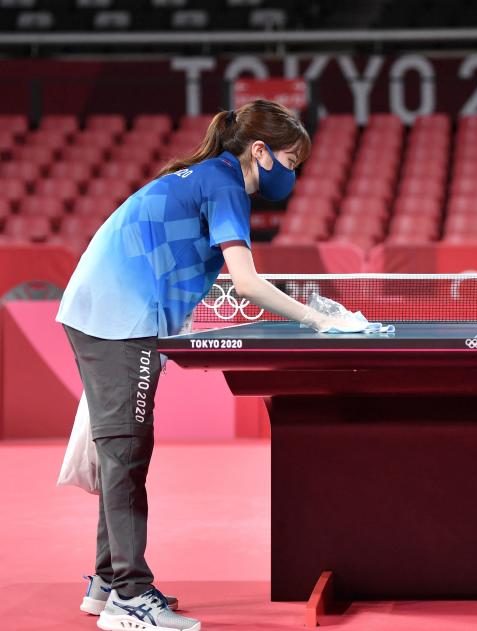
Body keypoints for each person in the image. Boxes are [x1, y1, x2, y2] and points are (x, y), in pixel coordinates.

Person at [57, 99, 341, 631]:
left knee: (125, 447)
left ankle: (107, 581)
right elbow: (249, 282)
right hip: (117, 313)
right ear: (260, 151)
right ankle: (129, 597)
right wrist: (320, 321)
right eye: (290, 160)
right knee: (126, 450)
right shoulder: (225, 182)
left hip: (112, 310)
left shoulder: (213, 177)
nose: (291, 174)